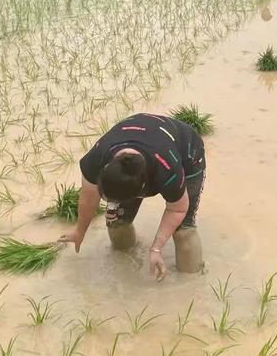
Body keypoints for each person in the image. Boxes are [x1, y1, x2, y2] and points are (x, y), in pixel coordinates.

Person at [60, 113, 206, 280]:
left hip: (187, 153)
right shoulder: (98, 157)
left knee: (184, 233)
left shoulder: (166, 171)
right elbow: (88, 196)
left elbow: (177, 209)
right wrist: (79, 232)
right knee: (116, 222)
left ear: (141, 190)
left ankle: (192, 287)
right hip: (143, 135)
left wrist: (156, 249)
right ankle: (125, 272)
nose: (109, 202)